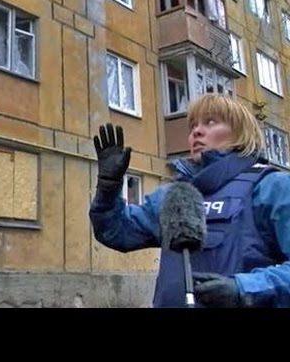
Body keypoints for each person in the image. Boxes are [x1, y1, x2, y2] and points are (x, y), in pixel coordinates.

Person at [89, 93, 290, 307]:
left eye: (210, 122)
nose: (197, 131)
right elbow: (116, 232)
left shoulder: (271, 186)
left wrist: (242, 288)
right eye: (193, 125)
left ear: (241, 133)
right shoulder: (175, 194)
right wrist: (108, 188)